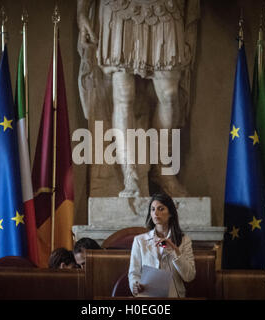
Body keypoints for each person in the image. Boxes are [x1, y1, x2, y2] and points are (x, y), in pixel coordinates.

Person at [77, 0, 200, 197]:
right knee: (123, 95)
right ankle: (130, 173)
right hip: (120, 9)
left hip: (164, 8)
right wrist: (82, 12)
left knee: (169, 94)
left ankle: (162, 168)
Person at [128, 193, 195, 297]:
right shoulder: (140, 241)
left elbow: (189, 276)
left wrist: (175, 252)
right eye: (153, 209)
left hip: (174, 296)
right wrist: (135, 286)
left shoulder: (184, 240)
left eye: (161, 209)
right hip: (147, 297)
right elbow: (134, 273)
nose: (156, 213)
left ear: (170, 213)